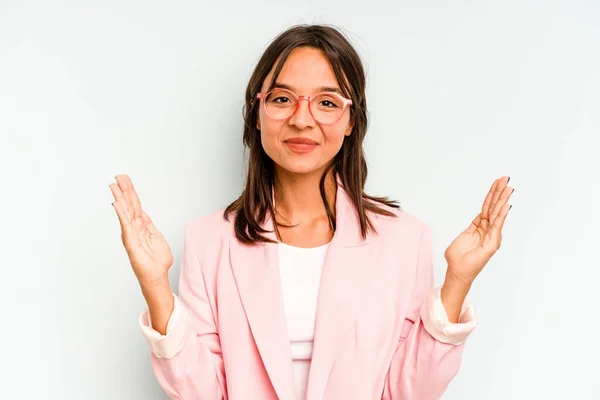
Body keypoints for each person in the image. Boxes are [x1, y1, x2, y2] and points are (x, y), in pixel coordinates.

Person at [109, 24, 514, 400]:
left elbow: (408, 391)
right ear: (257, 112)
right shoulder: (209, 240)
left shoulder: (405, 240)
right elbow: (204, 392)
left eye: (326, 102)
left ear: (351, 120)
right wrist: (156, 286)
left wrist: (457, 281)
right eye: (283, 99)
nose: (302, 119)